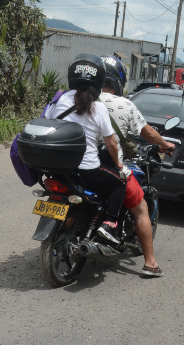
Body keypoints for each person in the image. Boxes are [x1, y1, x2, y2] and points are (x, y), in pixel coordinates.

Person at [99, 55, 175, 278]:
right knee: (141, 208)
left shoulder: (82, 99)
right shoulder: (124, 104)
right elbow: (148, 133)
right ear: (118, 80)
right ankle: (150, 263)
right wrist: (164, 143)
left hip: (80, 166)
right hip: (110, 168)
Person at [44, 53, 127, 229]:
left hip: (57, 167)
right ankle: (109, 223)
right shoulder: (98, 108)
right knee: (119, 184)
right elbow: (111, 144)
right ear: (100, 81)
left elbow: (46, 122)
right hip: (85, 171)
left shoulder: (59, 99)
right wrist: (118, 165)